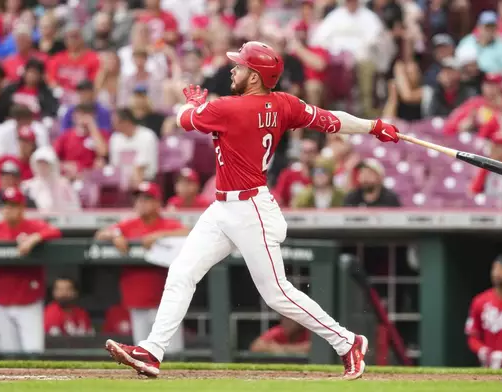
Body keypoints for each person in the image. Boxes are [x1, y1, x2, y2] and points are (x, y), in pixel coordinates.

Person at [104, 41, 400, 380]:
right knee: (182, 272)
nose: (233, 70)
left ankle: (347, 342)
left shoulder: (230, 108)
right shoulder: (284, 103)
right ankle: (152, 351)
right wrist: (373, 126)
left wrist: (195, 104)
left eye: (240, 66)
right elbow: (333, 121)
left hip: (250, 210)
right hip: (223, 208)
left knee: (277, 294)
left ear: (256, 76)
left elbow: (184, 119)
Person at [0, 187, 61, 353]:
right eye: (5, 205)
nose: (8, 209)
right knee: (10, 354)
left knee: (33, 352)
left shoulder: (32, 226)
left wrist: (34, 238)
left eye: (13, 205)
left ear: (22, 208)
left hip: (28, 301)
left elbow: (55, 231)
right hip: (0, 301)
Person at [96, 182, 188, 354]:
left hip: (165, 301)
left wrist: (160, 235)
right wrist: (115, 235)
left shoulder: (168, 224)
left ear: (157, 203)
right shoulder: (129, 225)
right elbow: (100, 234)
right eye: (138, 199)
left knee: (172, 353)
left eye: (147, 199)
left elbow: (189, 233)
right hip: (136, 297)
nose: (142, 203)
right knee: (143, 352)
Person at [465, 254, 502, 369]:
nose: (497, 273)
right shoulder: (480, 301)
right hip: (490, 365)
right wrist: (484, 351)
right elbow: (472, 336)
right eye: (494, 268)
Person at [109, 108, 158, 189]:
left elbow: (141, 167)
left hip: (145, 180)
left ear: (126, 122)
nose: (113, 126)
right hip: (122, 181)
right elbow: (115, 165)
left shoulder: (147, 136)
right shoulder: (115, 138)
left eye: (116, 123)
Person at [22, 146, 82, 212]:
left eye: (45, 163)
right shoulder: (28, 186)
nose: (42, 167)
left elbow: (75, 207)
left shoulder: (64, 185)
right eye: (40, 163)